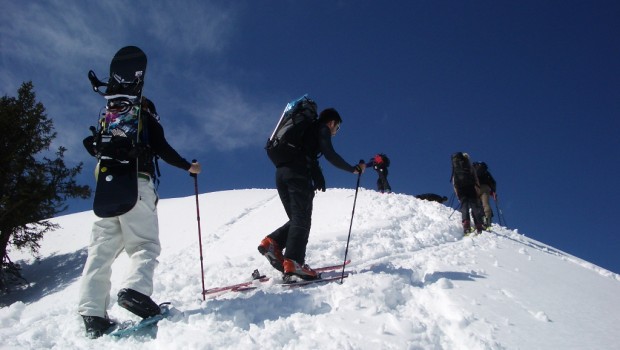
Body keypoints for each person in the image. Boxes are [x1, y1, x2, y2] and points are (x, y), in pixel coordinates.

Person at [78, 97, 201, 338]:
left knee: (100, 253)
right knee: (144, 244)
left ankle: (92, 314)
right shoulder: (145, 120)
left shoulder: (108, 123)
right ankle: (135, 290)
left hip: (106, 189)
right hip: (137, 184)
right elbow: (163, 149)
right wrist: (189, 167)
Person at [258, 108, 365, 281]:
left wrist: (318, 177)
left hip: (282, 173)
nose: (335, 132)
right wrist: (353, 169)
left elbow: (310, 157)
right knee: (302, 219)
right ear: (331, 123)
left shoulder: (305, 133)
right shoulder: (322, 128)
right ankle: (294, 262)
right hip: (297, 175)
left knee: (296, 219)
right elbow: (329, 154)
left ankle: (272, 243)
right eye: (337, 128)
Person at [450, 152, 484, 235]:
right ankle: (479, 225)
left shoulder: (455, 167)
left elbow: (454, 181)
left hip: (460, 188)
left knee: (464, 205)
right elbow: (475, 178)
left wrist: (457, 192)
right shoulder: (469, 165)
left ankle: (466, 223)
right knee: (474, 205)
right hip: (470, 187)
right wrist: (478, 189)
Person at [473, 161, 497, 229]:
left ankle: (478, 220)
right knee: (486, 204)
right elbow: (493, 182)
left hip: (476, 187)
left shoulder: (474, 170)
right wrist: (493, 191)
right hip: (486, 188)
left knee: (476, 204)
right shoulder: (486, 172)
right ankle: (488, 221)